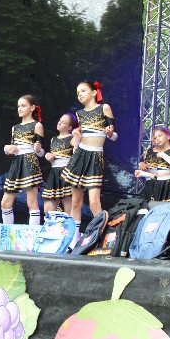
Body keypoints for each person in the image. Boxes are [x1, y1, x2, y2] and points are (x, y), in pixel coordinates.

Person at [62, 81, 117, 233]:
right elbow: (76, 140)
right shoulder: (79, 114)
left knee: (94, 203)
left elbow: (114, 136)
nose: (79, 94)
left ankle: (101, 236)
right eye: (77, 92)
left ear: (94, 92)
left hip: (95, 157)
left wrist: (110, 133)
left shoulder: (104, 108)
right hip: (80, 156)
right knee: (76, 202)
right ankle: (74, 237)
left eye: (83, 90)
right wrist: (76, 135)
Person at [1, 95, 45, 226]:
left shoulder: (37, 125)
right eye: (18, 106)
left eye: (23, 105)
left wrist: (38, 149)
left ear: (32, 108)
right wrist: (8, 150)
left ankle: (32, 234)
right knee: (5, 203)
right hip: (16, 164)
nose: (19, 108)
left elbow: (41, 152)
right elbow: (12, 151)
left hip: (30, 163)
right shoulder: (15, 128)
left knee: (31, 202)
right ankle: (8, 233)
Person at [43, 112, 77, 214]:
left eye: (63, 122)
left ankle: (69, 224)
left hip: (66, 173)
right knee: (48, 209)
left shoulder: (72, 138)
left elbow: (77, 155)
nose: (59, 123)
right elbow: (53, 159)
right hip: (54, 173)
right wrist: (49, 157)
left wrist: (77, 140)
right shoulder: (53, 139)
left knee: (68, 207)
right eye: (60, 121)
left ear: (70, 127)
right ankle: (53, 223)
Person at [135, 126, 170, 202]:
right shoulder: (148, 152)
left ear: (168, 136)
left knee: (167, 207)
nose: (157, 139)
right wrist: (141, 164)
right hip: (151, 186)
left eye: (160, 136)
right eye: (155, 138)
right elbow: (147, 170)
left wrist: (164, 155)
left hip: (168, 186)